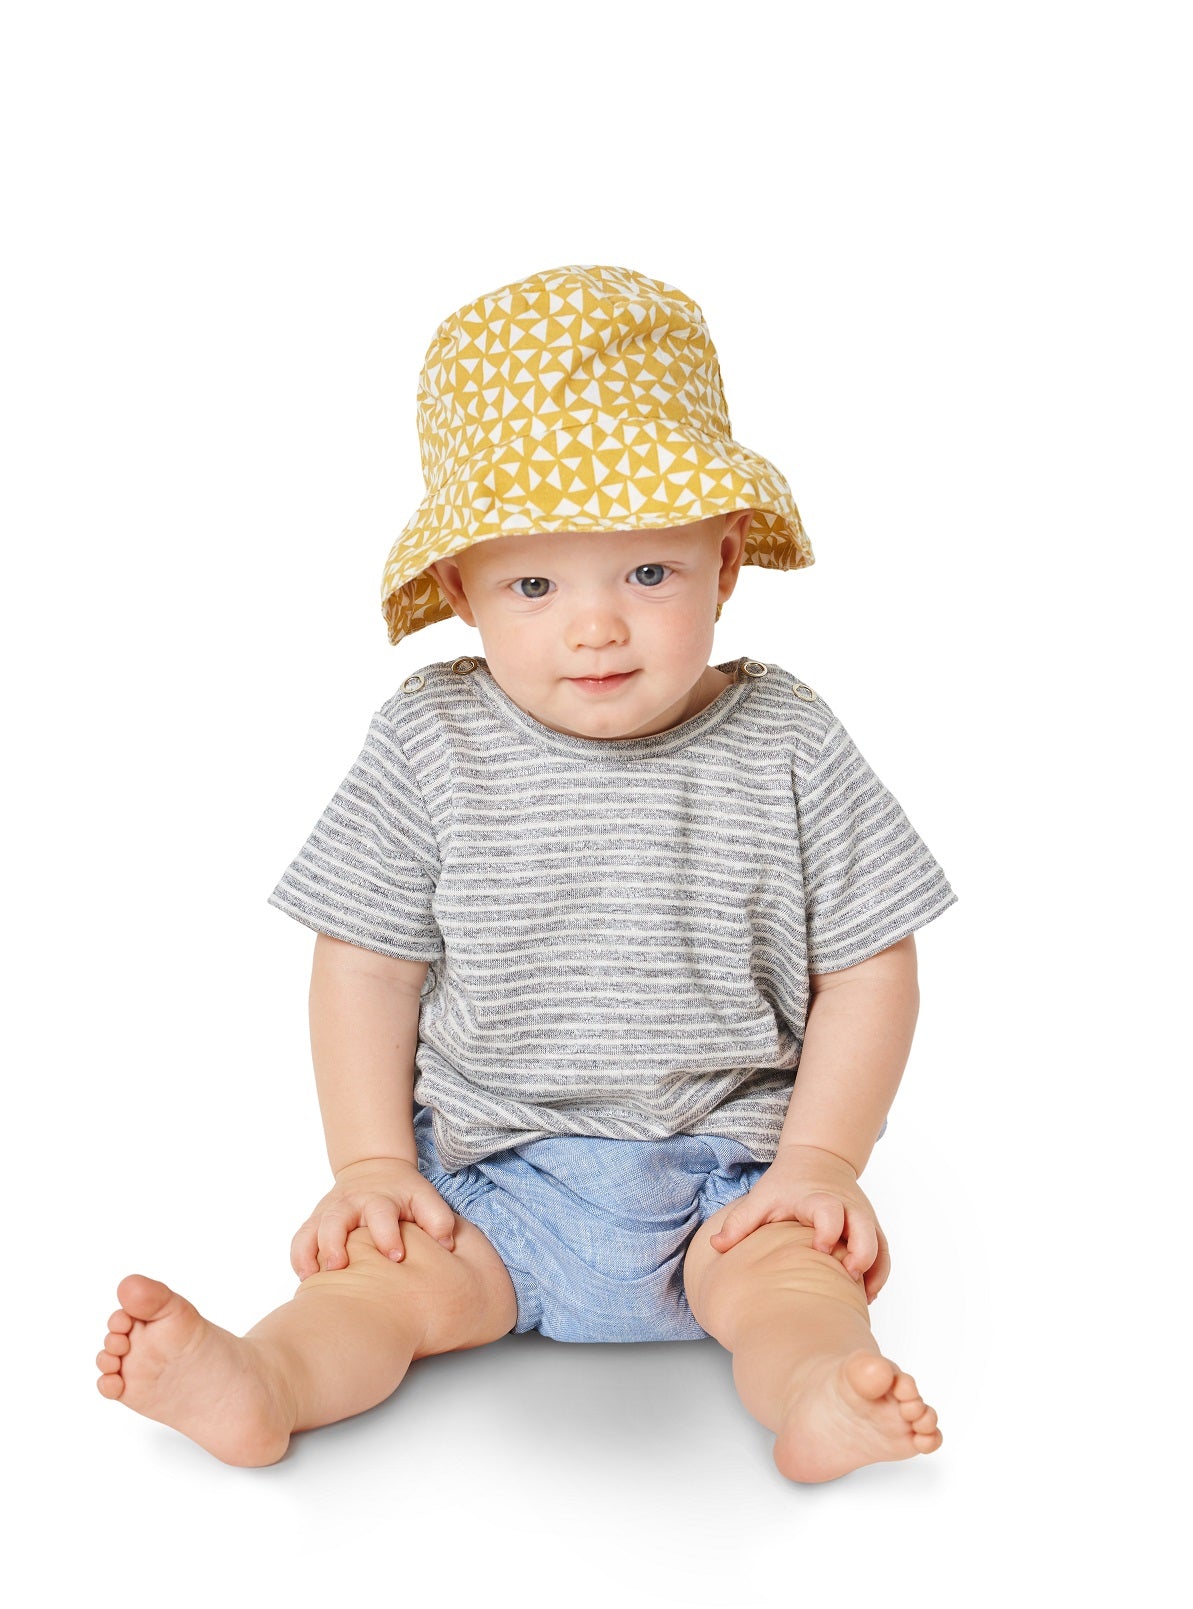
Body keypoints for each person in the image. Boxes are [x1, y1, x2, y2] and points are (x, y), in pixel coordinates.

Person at [96, 264, 958, 1483]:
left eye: (647, 573)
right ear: (460, 588)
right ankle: (264, 1380)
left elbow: (867, 966)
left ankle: (818, 1393)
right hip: (488, 1179)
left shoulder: (788, 737)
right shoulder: (431, 739)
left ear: (725, 560)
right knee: (376, 1290)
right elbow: (366, 967)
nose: (593, 626)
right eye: (534, 584)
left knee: (794, 1291)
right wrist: (371, 1167)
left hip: (731, 1179)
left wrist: (817, 1165)